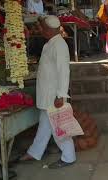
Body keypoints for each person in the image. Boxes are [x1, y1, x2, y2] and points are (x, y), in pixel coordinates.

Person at [19, 15, 76, 169]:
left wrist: (61, 95)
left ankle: (68, 157)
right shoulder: (51, 43)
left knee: (60, 129)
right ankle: (34, 152)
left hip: (54, 96)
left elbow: (64, 72)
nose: (40, 30)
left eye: (42, 28)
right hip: (47, 95)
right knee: (44, 127)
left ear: (49, 30)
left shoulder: (59, 45)